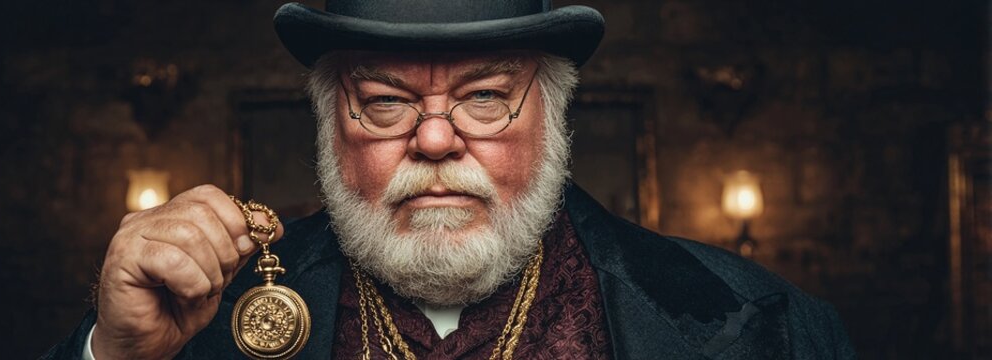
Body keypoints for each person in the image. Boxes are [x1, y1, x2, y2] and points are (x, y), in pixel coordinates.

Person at [43, 1, 855, 359]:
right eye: (384, 102)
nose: (434, 139)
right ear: (332, 128)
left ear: (552, 120)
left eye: (487, 97)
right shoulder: (206, 321)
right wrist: (113, 357)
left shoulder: (770, 327)